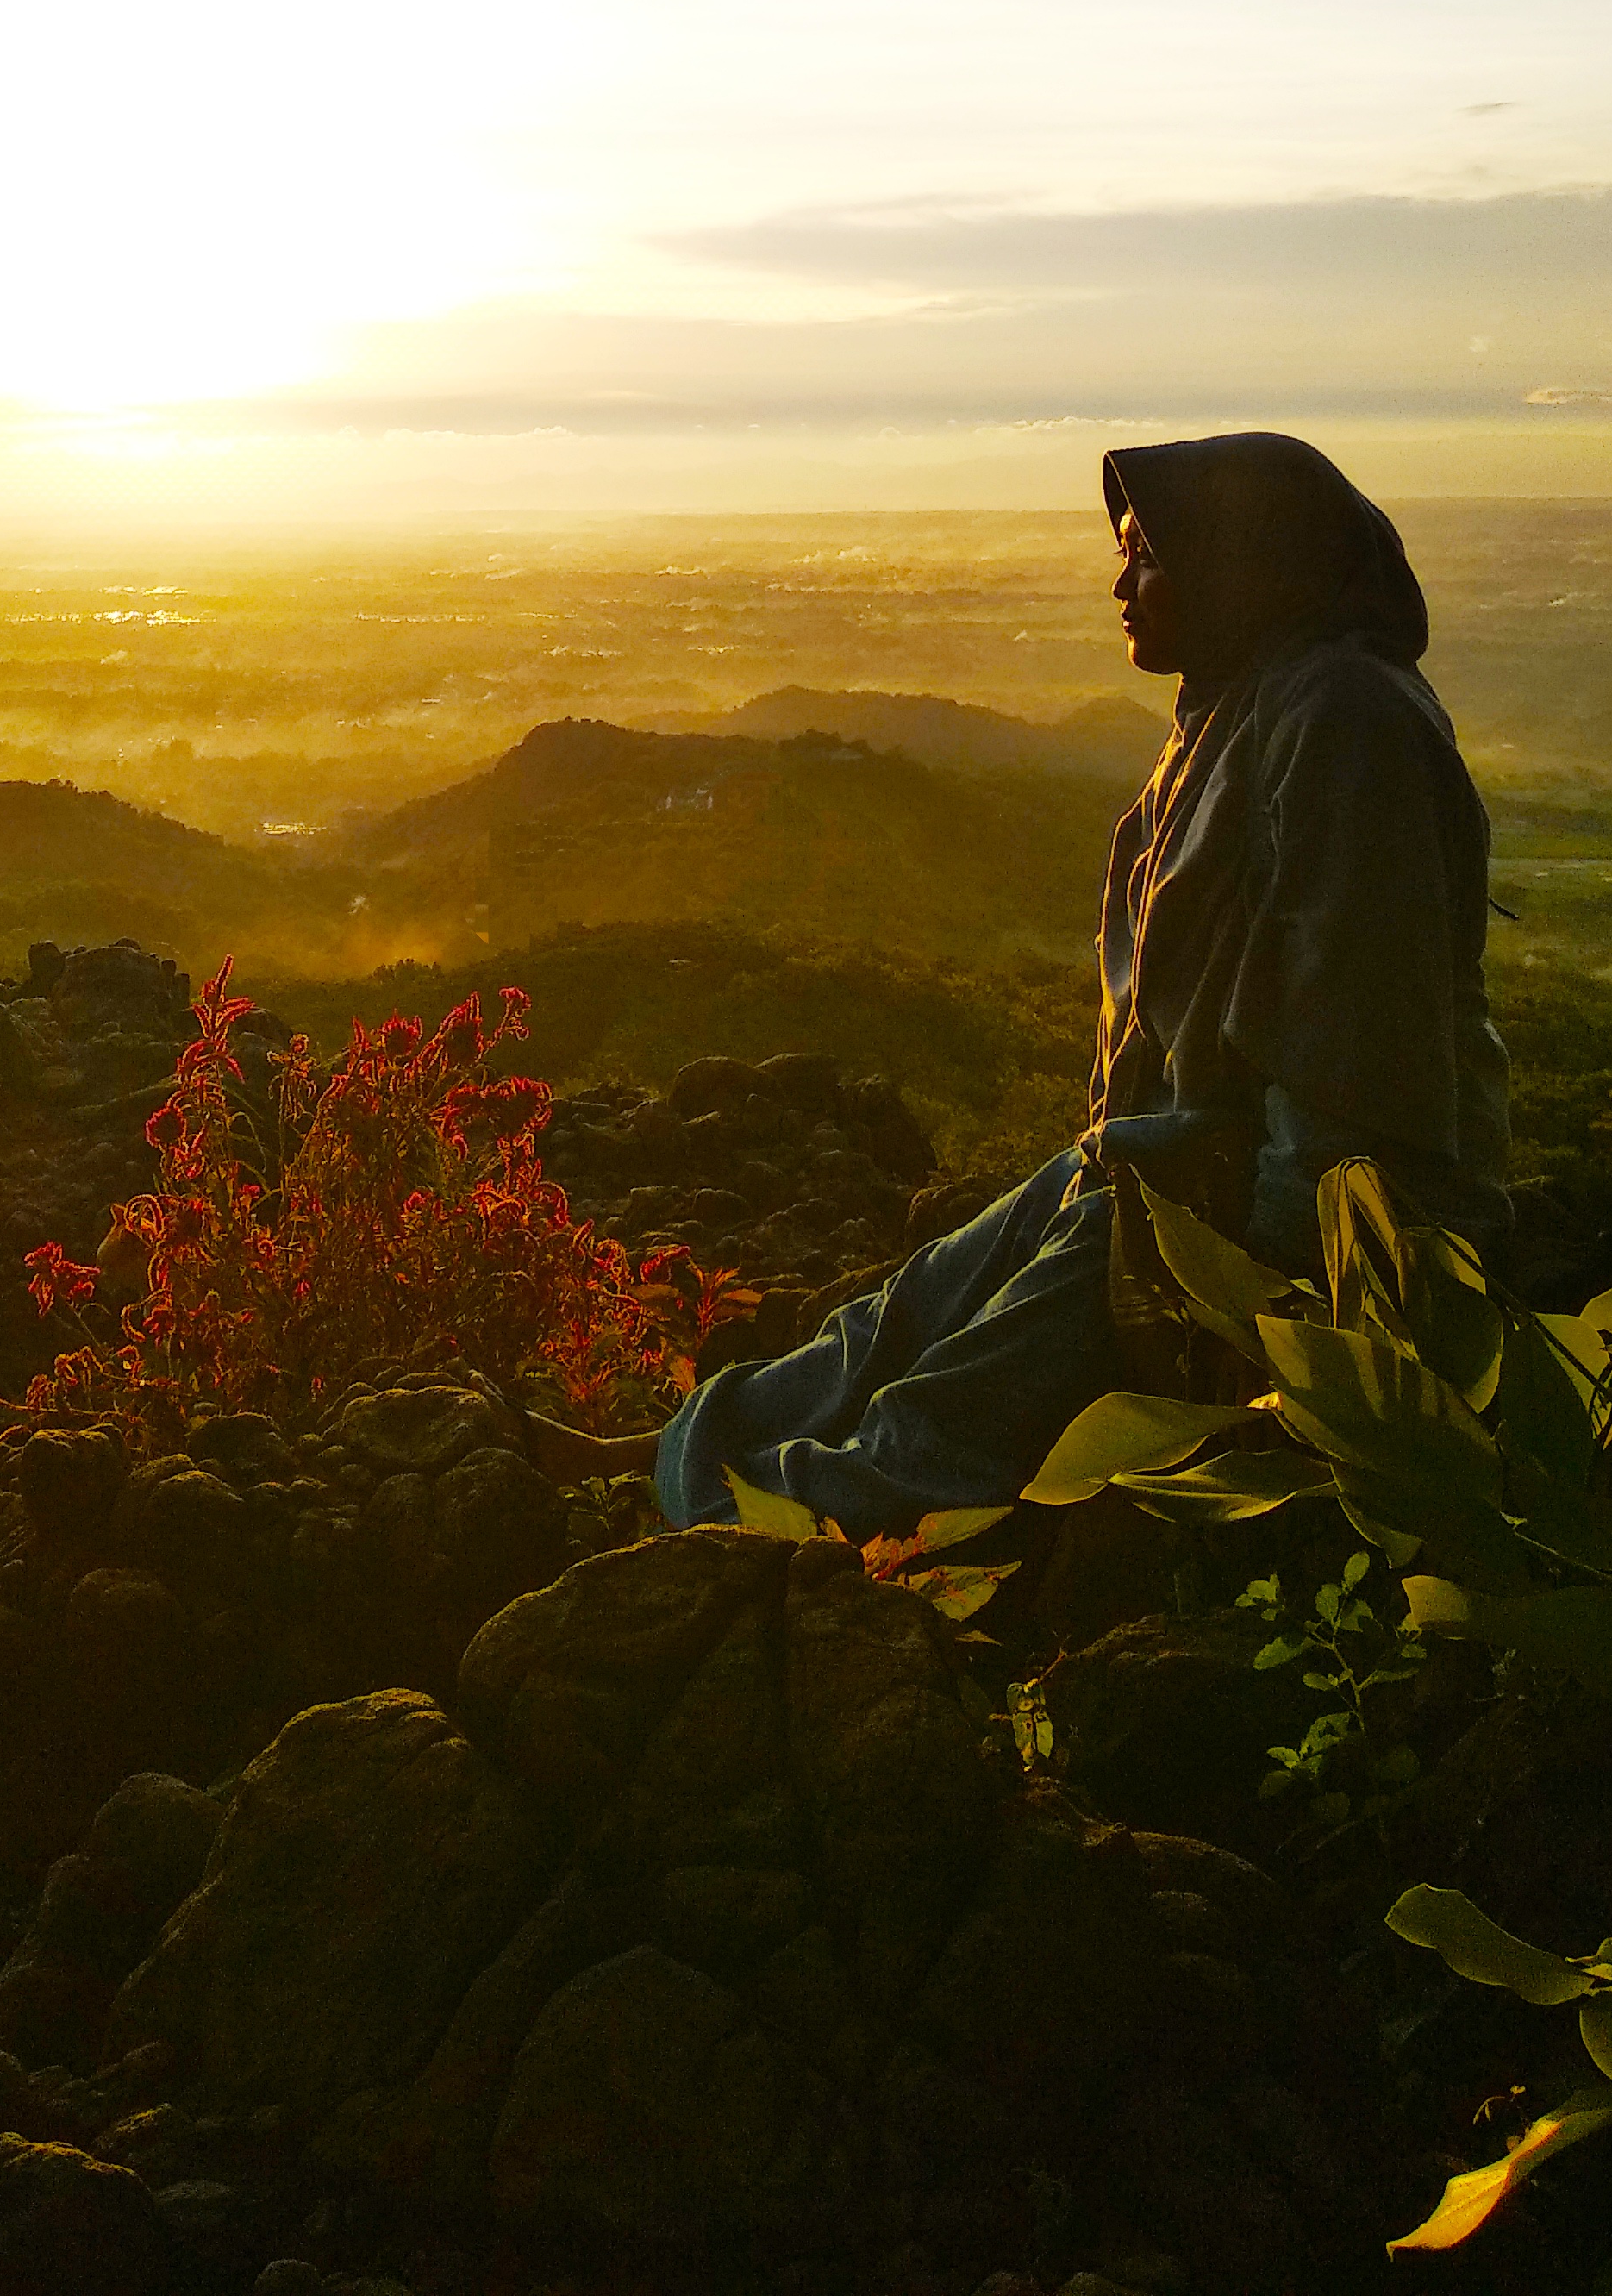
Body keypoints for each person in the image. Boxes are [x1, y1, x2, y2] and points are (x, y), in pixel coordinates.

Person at [527, 430, 1512, 1538]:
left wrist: (1281, 1309)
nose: (1119, 585)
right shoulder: (1239, 707)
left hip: (1309, 1222)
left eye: (1147, 556)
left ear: (1244, 560)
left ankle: (774, 1525)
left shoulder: (1345, 722)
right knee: (915, 1303)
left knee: (967, 1388)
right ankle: (685, 1449)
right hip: (1183, 1169)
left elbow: (1359, 1060)